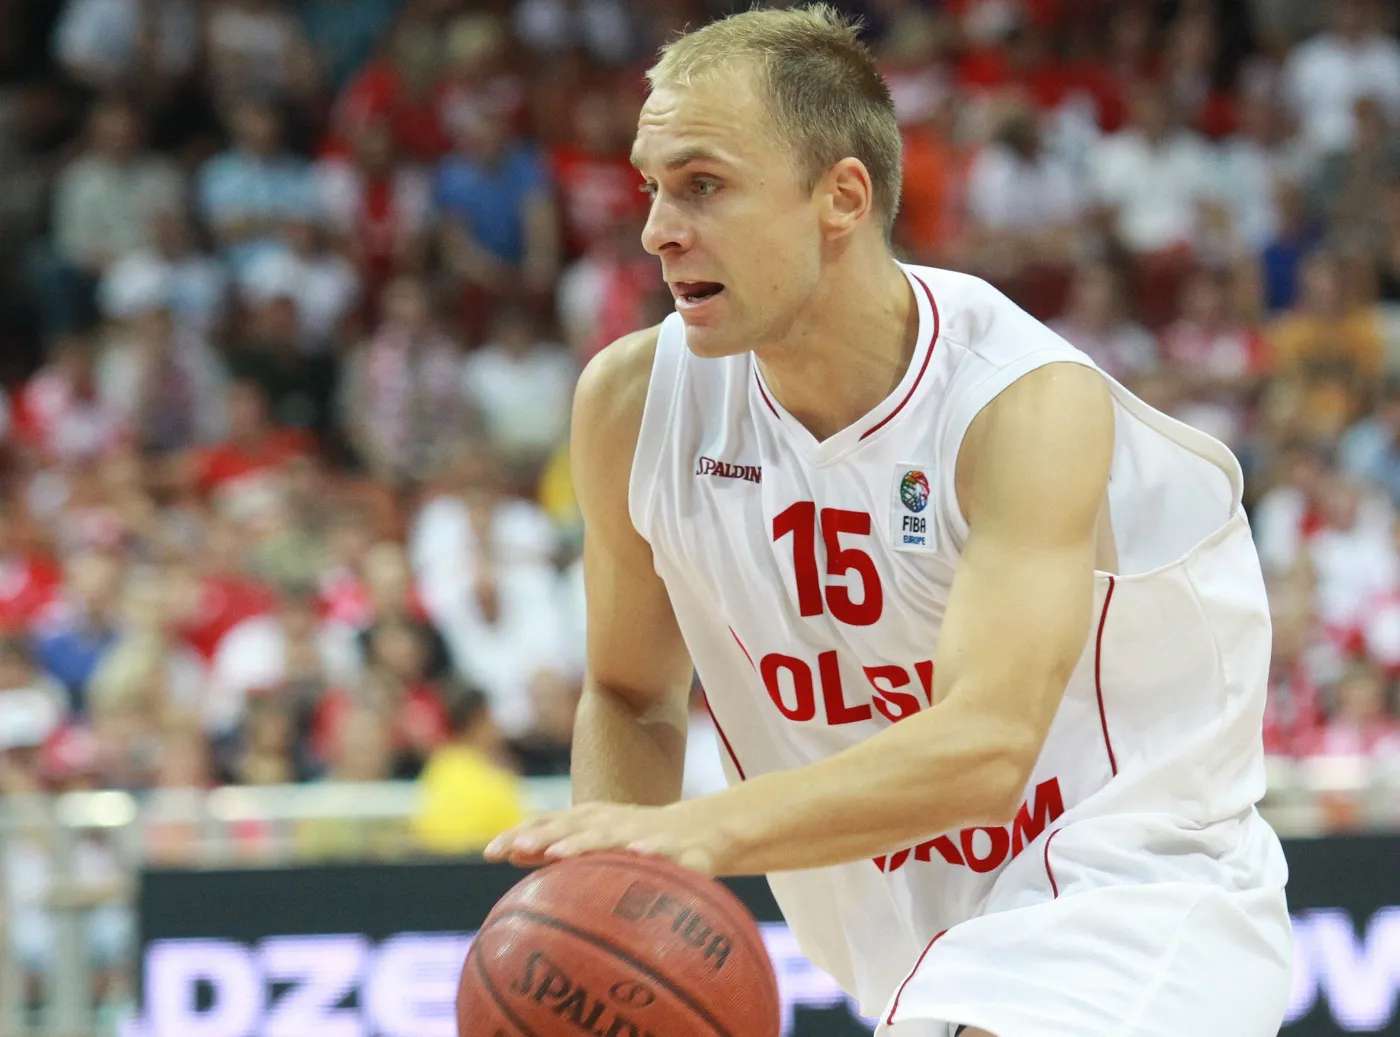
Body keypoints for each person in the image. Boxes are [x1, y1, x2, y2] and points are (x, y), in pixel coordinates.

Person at [485, 7, 1292, 1037]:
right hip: (916, 948)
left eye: (703, 185)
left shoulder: (1019, 403)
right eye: (652, 188)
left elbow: (986, 748)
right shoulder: (632, 404)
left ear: (842, 196)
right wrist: (609, 900)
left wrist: (701, 832)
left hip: (1137, 887)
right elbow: (631, 693)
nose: (657, 230)